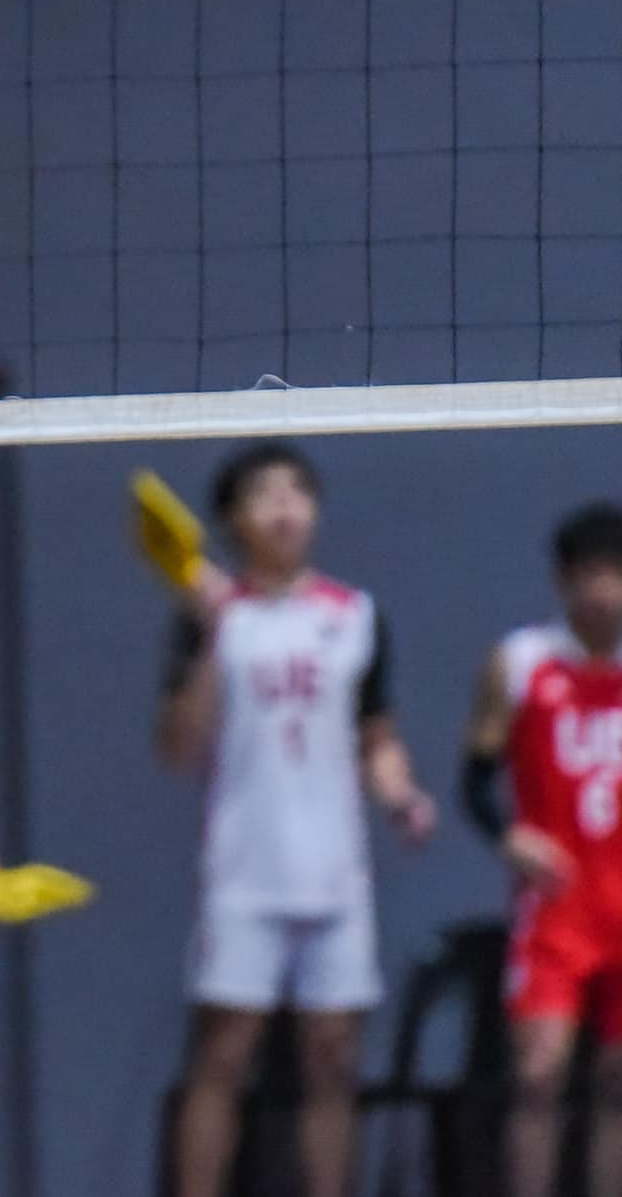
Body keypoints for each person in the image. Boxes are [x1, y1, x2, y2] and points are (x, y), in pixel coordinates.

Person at [159, 443, 437, 1197]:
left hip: (335, 873)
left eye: (297, 492)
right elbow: (179, 745)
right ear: (233, 520)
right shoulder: (214, 616)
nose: (284, 507)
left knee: (334, 1057)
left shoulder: (356, 617)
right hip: (243, 869)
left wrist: (403, 795)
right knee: (222, 1056)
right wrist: (214, 632)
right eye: (264, 494)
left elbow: (376, 738)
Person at [461, 502, 622, 1197]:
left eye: (620, 575)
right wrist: (508, 835)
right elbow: (475, 778)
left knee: (620, 1080)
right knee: (540, 1069)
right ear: (563, 579)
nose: (604, 591)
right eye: (590, 574)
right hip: (556, 897)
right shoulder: (522, 662)